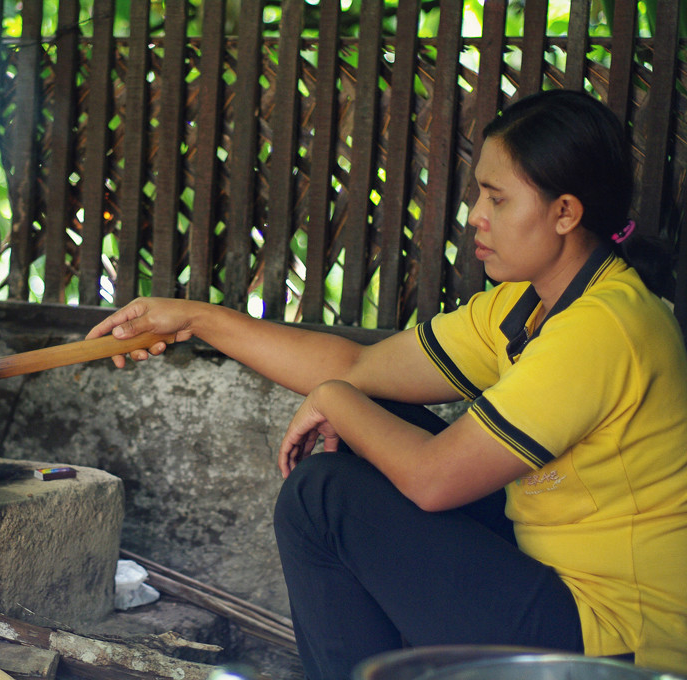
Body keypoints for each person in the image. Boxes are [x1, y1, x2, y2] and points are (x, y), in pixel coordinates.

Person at [85, 89, 687, 678]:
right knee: (365, 428)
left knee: (325, 495)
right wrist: (197, 318)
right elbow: (354, 369)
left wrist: (334, 402)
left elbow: (432, 480)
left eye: (497, 199)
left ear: (565, 213)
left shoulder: (602, 329)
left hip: (618, 641)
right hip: (558, 588)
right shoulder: (526, 306)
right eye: (481, 193)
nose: (475, 214)